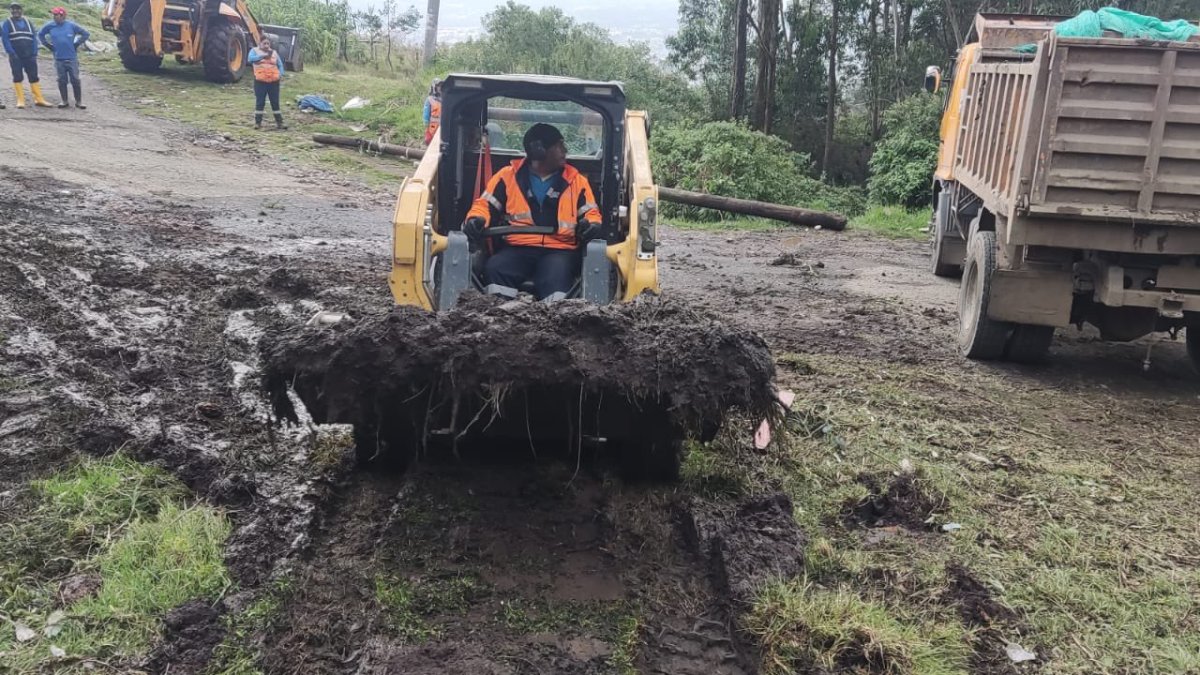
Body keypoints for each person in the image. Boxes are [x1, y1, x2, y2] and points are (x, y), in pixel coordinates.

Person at [462, 123, 604, 300]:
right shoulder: (507, 176)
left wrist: (592, 224)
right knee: (496, 268)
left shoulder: (577, 181)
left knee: (555, 278)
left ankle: (553, 323)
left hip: (560, 250)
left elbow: (591, 213)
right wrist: (476, 219)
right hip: (518, 248)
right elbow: (484, 205)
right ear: (539, 150)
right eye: (559, 146)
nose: (565, 150)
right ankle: (498, 317)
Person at [37, 6, 87, 109]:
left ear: (63, 15)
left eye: (56, 15)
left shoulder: (71, 25)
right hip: (59, 59)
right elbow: (40, 34)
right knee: (61, 80)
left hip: (72, 58)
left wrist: (76, 44)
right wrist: (48, 45)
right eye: (54, 15)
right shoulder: (50, 26)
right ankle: (64, 101)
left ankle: (79, 102)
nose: (54, 17)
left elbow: (86, 34)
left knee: (75, 80)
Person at [2, 3, 50, 108]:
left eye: (17, 9)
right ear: (11, 11)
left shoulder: (28, 22)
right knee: (18, 76)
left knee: (34, 76)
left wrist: (34, 53)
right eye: (13, 9)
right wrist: (11, 53)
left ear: (21, 10)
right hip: (16, 55)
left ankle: (39, 99)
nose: (15, 11)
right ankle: (20, 100)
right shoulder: (7, 23)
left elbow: (34, 38)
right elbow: (5, 40)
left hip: (29, 55)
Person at [248, 36, 286, 129]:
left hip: (274, 82)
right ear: (260, 43)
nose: (266, 45)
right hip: (260, 82)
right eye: (264, 43)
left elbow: (280, 65)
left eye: (268, 43)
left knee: (275, 102)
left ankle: (280, 123)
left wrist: (280, 74)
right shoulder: (254, 51)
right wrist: (262, 56)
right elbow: (250, 59)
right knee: (260, 102)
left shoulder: (274, 53)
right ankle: (258, 123)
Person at [423, 79, 441, 145]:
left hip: (443, 128)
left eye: (441, 86)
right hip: (432, 128)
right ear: (434, 87)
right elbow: (426, 116)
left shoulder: (446, 99)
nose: (440, 88)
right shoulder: (430, 99)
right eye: (438, 86)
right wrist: (427, 131)